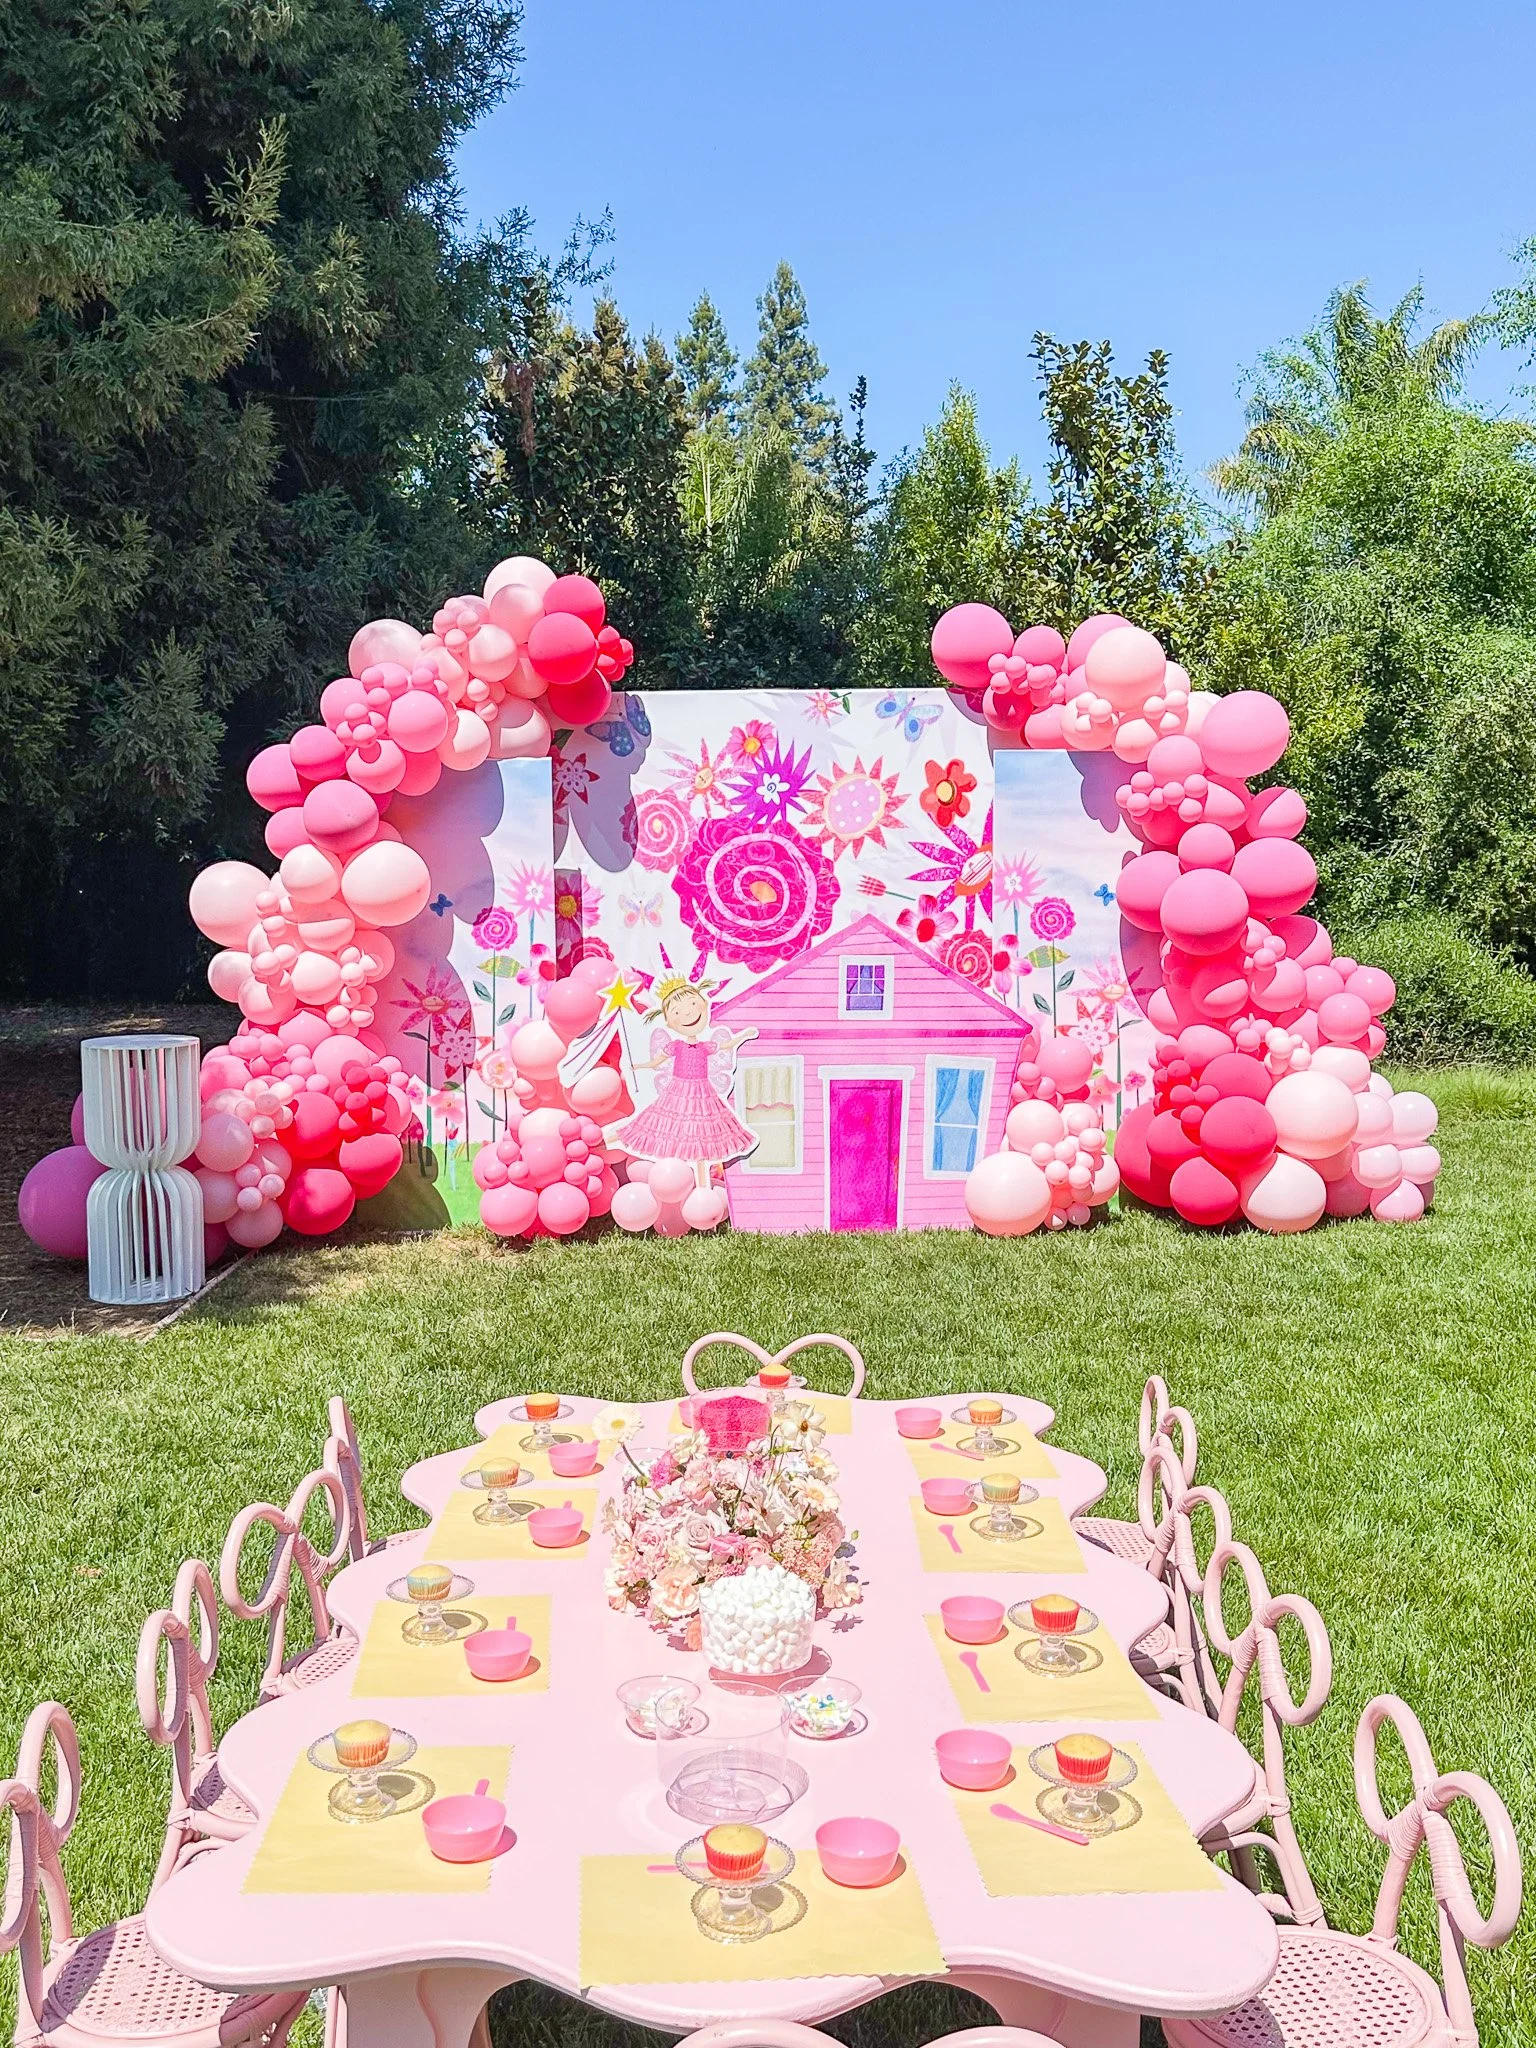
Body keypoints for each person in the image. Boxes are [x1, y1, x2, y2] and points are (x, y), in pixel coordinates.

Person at [616, 975, 758, 1187]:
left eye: (693, 1004)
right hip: (678, 1090)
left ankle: (702, 1186)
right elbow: (657, 1061)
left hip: (702, 1092)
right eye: (677, 1011)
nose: (689, 1013)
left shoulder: (705, 1046)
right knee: (670, 1126)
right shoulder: (676, 1046)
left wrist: (744, 1035)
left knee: (703, 1130)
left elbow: (727, 1046)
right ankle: (611, 1144)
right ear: (668, 1020)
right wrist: (639, 1066)